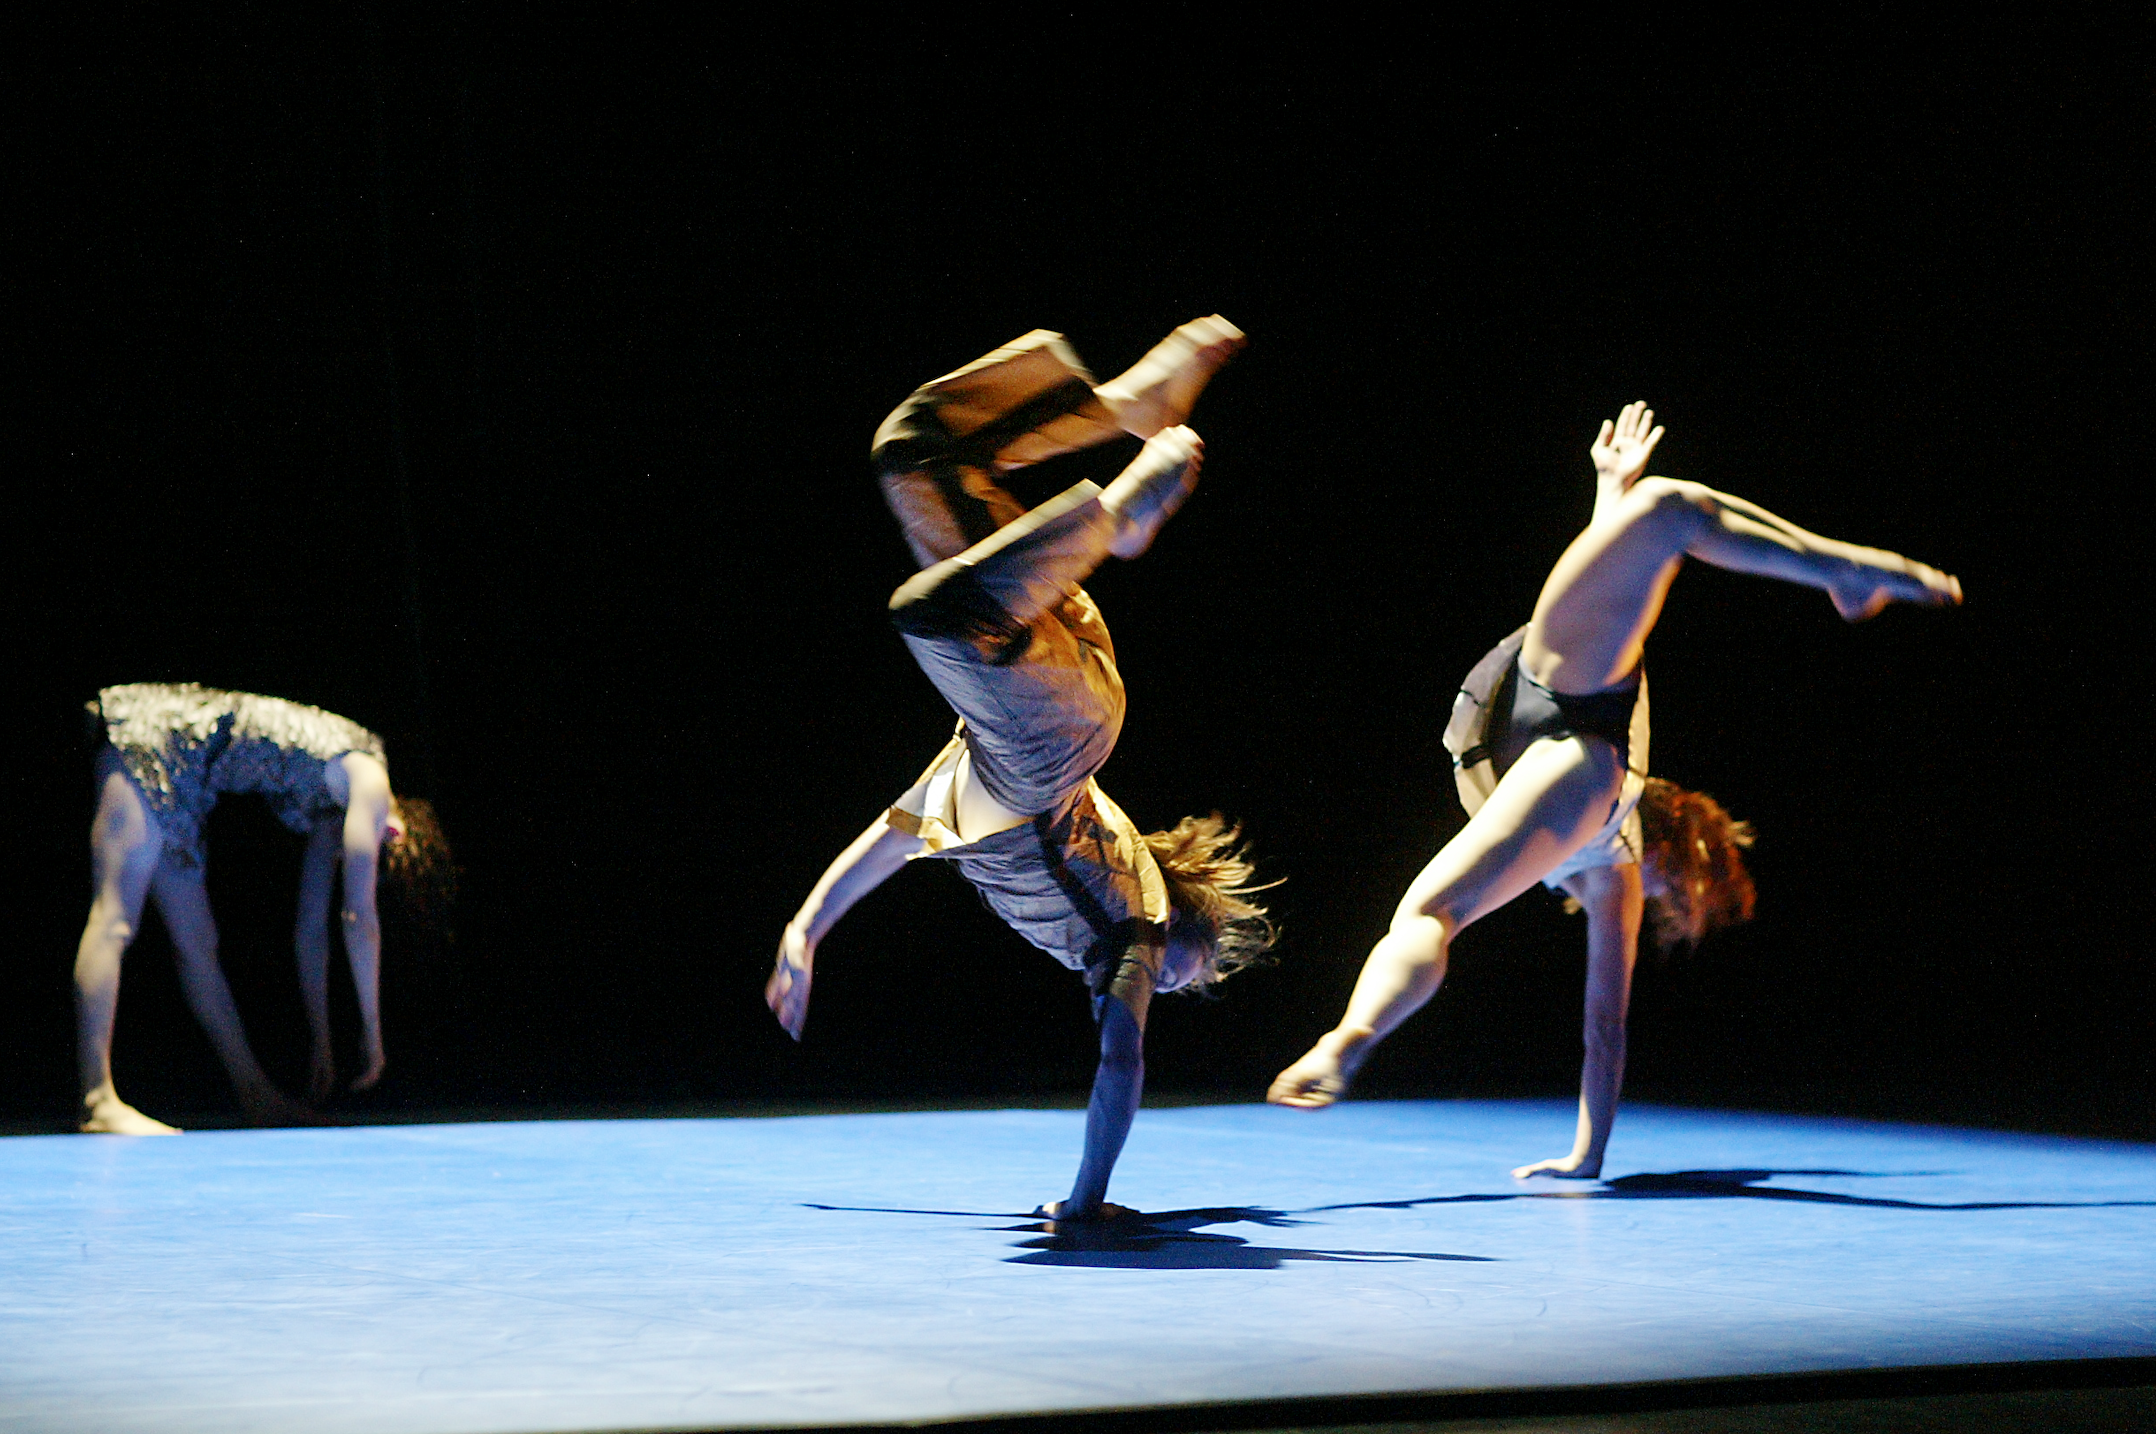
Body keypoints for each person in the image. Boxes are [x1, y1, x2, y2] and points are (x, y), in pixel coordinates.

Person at [1267, 403, 1961, 1178]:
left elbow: (1606, 1026)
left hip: (1549, 712)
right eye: (1675, 882)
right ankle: (1347, 1040)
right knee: (1660, 510)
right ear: (1672, 835)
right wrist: (1586, 1156)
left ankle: (1347, 1041)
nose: (1658, 894)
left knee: (1664, 511)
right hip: (1560, 720)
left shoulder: (1614, 865)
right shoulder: (1616, 860)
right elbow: (1605, 1026)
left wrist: (1587, 1157)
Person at [767, 319, 1275, 1221]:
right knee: (930, 616)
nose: (1173, 985)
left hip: (1039, 662)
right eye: (1184, 979)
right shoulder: (1138, 929)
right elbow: (1122, 1062)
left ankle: (1125, 405)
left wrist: (807, 931)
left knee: (915, 450)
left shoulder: (961, 804)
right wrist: (1086, 1200)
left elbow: (886, 845)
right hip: (1050, 735)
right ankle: (1116, 518)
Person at [75, 683, 452, 1134]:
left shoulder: (329, 814)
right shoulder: (369, 775)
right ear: (399, 832)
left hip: (184, 777)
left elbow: (311, 932)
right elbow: (358, 917)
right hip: (151, 732)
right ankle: (97, 1099)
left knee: (198, 946)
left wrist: (324, 1043)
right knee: (114, 919)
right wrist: (373, 1036)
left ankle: (256, 1094)